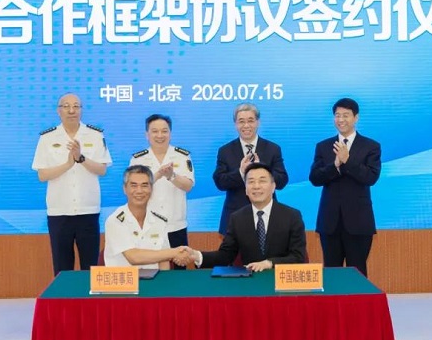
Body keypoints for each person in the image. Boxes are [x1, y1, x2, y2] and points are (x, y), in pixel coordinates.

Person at [31, 93, 112, 276]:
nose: (71, 110)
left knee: (90, 268)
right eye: (66, 106)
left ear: (81, 110)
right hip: (59, 212)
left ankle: (90, 296)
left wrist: (80, 158)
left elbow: (102, 170)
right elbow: (42, 175)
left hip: (88, 211)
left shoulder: (95, 135)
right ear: (58, 111)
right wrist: (68, 164)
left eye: (76, 106)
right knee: (62, 268)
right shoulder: (47, 137)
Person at [179, 163, 306, 272]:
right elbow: (225, 256)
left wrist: (269, 263)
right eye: (251, 182)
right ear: (246, 189)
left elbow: (298, 257)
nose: (256, 186)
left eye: (262, 181)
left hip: (281, 280)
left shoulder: (292, 216)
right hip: (250, 282)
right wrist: (196, 255)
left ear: (273, 187)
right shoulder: (237, 218)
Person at [309, 98, 381, 277]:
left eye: (346, 115)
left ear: (356, 118)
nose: (341, 119)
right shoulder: (323, 146)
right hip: (329, 222)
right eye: (337, 115)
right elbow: (315, 178)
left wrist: (347, 161)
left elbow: (370, 177)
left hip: (359, 222)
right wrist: (335, 165)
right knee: (331, 274)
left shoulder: (371, 146)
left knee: (357, 274)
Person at [129, 114, 195, 269]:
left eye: (164, 131)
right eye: (155, 131)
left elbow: (188, 186)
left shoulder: (182, 156)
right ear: (147, 134)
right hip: (148, 226)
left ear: (170, 133)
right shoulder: (137, 159)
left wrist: (172, 176)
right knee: (150, 271)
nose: (160, 135)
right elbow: (134, 189)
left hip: (176, 225)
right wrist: (158, 174)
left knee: (179, 272)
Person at [212, 103, 288, 235]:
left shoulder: (272, 149)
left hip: (268, 216)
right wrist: (241, 172)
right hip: (234, 218)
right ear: (235, 124)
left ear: (258, 122)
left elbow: (282, 181)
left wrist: (263, 170)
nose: (246, 125)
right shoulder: (225, 151)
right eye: (241, 121)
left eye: (250, 121)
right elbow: (220, 182)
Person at [104, 165, 192, 269]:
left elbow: (163, 261)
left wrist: (165, 279)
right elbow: (134, 257)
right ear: (125, 189)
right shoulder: (115, 221)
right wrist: (175, 252)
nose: (139, 191)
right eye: (134, 185)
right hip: (124, 278)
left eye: (144, 185)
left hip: (153, 278)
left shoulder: (160, 221)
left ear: (151, 189)